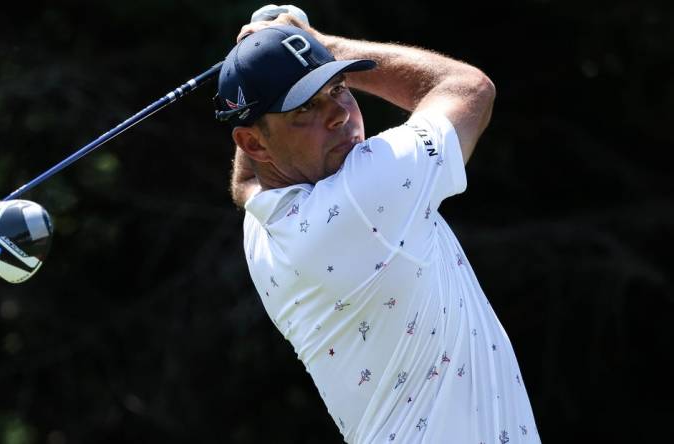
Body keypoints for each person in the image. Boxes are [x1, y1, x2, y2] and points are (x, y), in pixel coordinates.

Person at [215, 12, 541, 444]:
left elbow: (247, 182)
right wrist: (323, 43)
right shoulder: (365, 194)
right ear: (254, 143)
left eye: (338, 88)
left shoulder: (264, 222)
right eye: (306, 107)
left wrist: (262, 59)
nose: (338, 114)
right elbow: (468, 88)